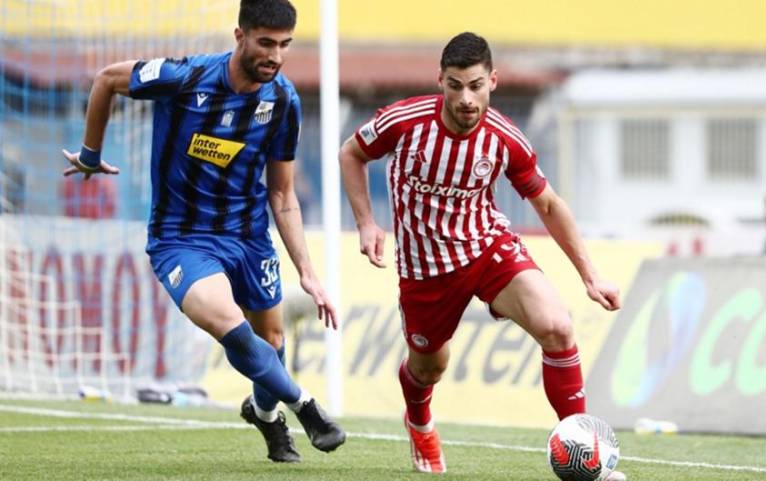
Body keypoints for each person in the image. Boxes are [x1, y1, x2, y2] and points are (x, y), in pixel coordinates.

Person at [61, 0, 345, 463]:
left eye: (284, 45)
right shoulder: (186, 77)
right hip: (182, 239)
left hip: (249, 238)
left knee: (272, 341)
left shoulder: (283, 101)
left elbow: (282, 194)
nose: (275, 56)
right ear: (240, 36)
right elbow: (107, 79)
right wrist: (90, 154)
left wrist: (308, 273)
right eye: (266, 43)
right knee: (231, 326)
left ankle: (266, 416)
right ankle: (306, 408)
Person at [339, 32, 624, 479]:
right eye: (455, 86)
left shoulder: (505, 139)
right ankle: (419, 421)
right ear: (441, 81)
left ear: (493, 80)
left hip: (486, 248)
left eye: (475, 86)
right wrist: (366, 222)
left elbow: (549, 205)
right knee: (429, 368)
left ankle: (586, 454)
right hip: (425, 269)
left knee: (557, 327)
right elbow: (351, 153)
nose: (466, 99)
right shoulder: (405, 121)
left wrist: (591, 276)